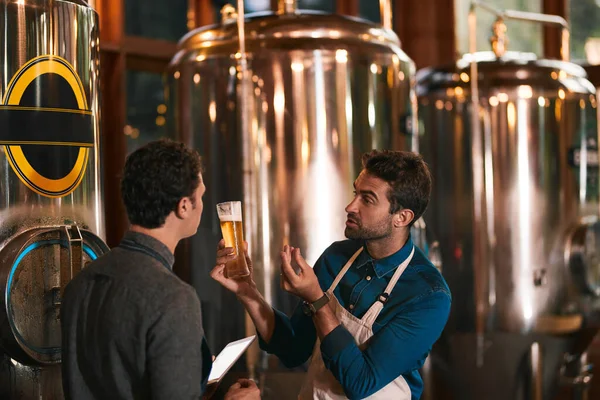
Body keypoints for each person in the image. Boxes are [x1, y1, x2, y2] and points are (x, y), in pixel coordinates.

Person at [211, 149, 451, 399]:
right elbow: (293, 349)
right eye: (355, 193)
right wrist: (247, 290)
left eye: (367, 199)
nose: (350, 206)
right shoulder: (337, 257)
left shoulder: (428, 295)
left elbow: (361, 382)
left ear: (402, 217)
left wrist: (317, 299)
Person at [61, 139, 260, 400]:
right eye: (200, 196)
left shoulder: (80, 284)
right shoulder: (173, 298)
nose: (202, 205)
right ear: (184, 206)